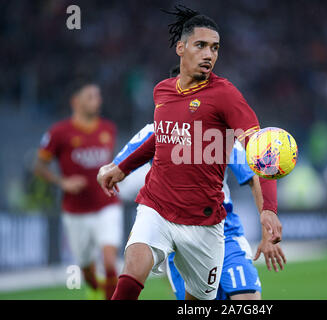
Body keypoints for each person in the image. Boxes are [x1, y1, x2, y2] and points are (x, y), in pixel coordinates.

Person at [98, 5, 282, 300]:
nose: (209, 54)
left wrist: (269, 210)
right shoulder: (162, 92)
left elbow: (260, 153)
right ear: (181, 48)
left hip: (205, 223)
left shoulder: (225, 95)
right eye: (201, 45)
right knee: (134, 265)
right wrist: (123, 168)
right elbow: (162, 136)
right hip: (157, 207)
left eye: (215, 48)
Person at [103, 120, 286, 300]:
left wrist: (266, 233)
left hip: (225, 231)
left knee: (247, 297)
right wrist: (105, 173)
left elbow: (254, 176)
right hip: (181, 239)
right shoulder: (154, 132)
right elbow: (116, 166)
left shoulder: (218, 134)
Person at [34, 81, 123, 300]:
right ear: (76, 101)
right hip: (75, 211)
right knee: (87, 269)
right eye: (91, 96)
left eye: (98, 95)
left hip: (107, 205)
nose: (98, 100)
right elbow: (38, 166)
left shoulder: (108, 129)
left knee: (110, 262)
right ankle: (93, 287)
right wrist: (62, 182)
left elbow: (108, 162)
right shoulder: (58, 133)